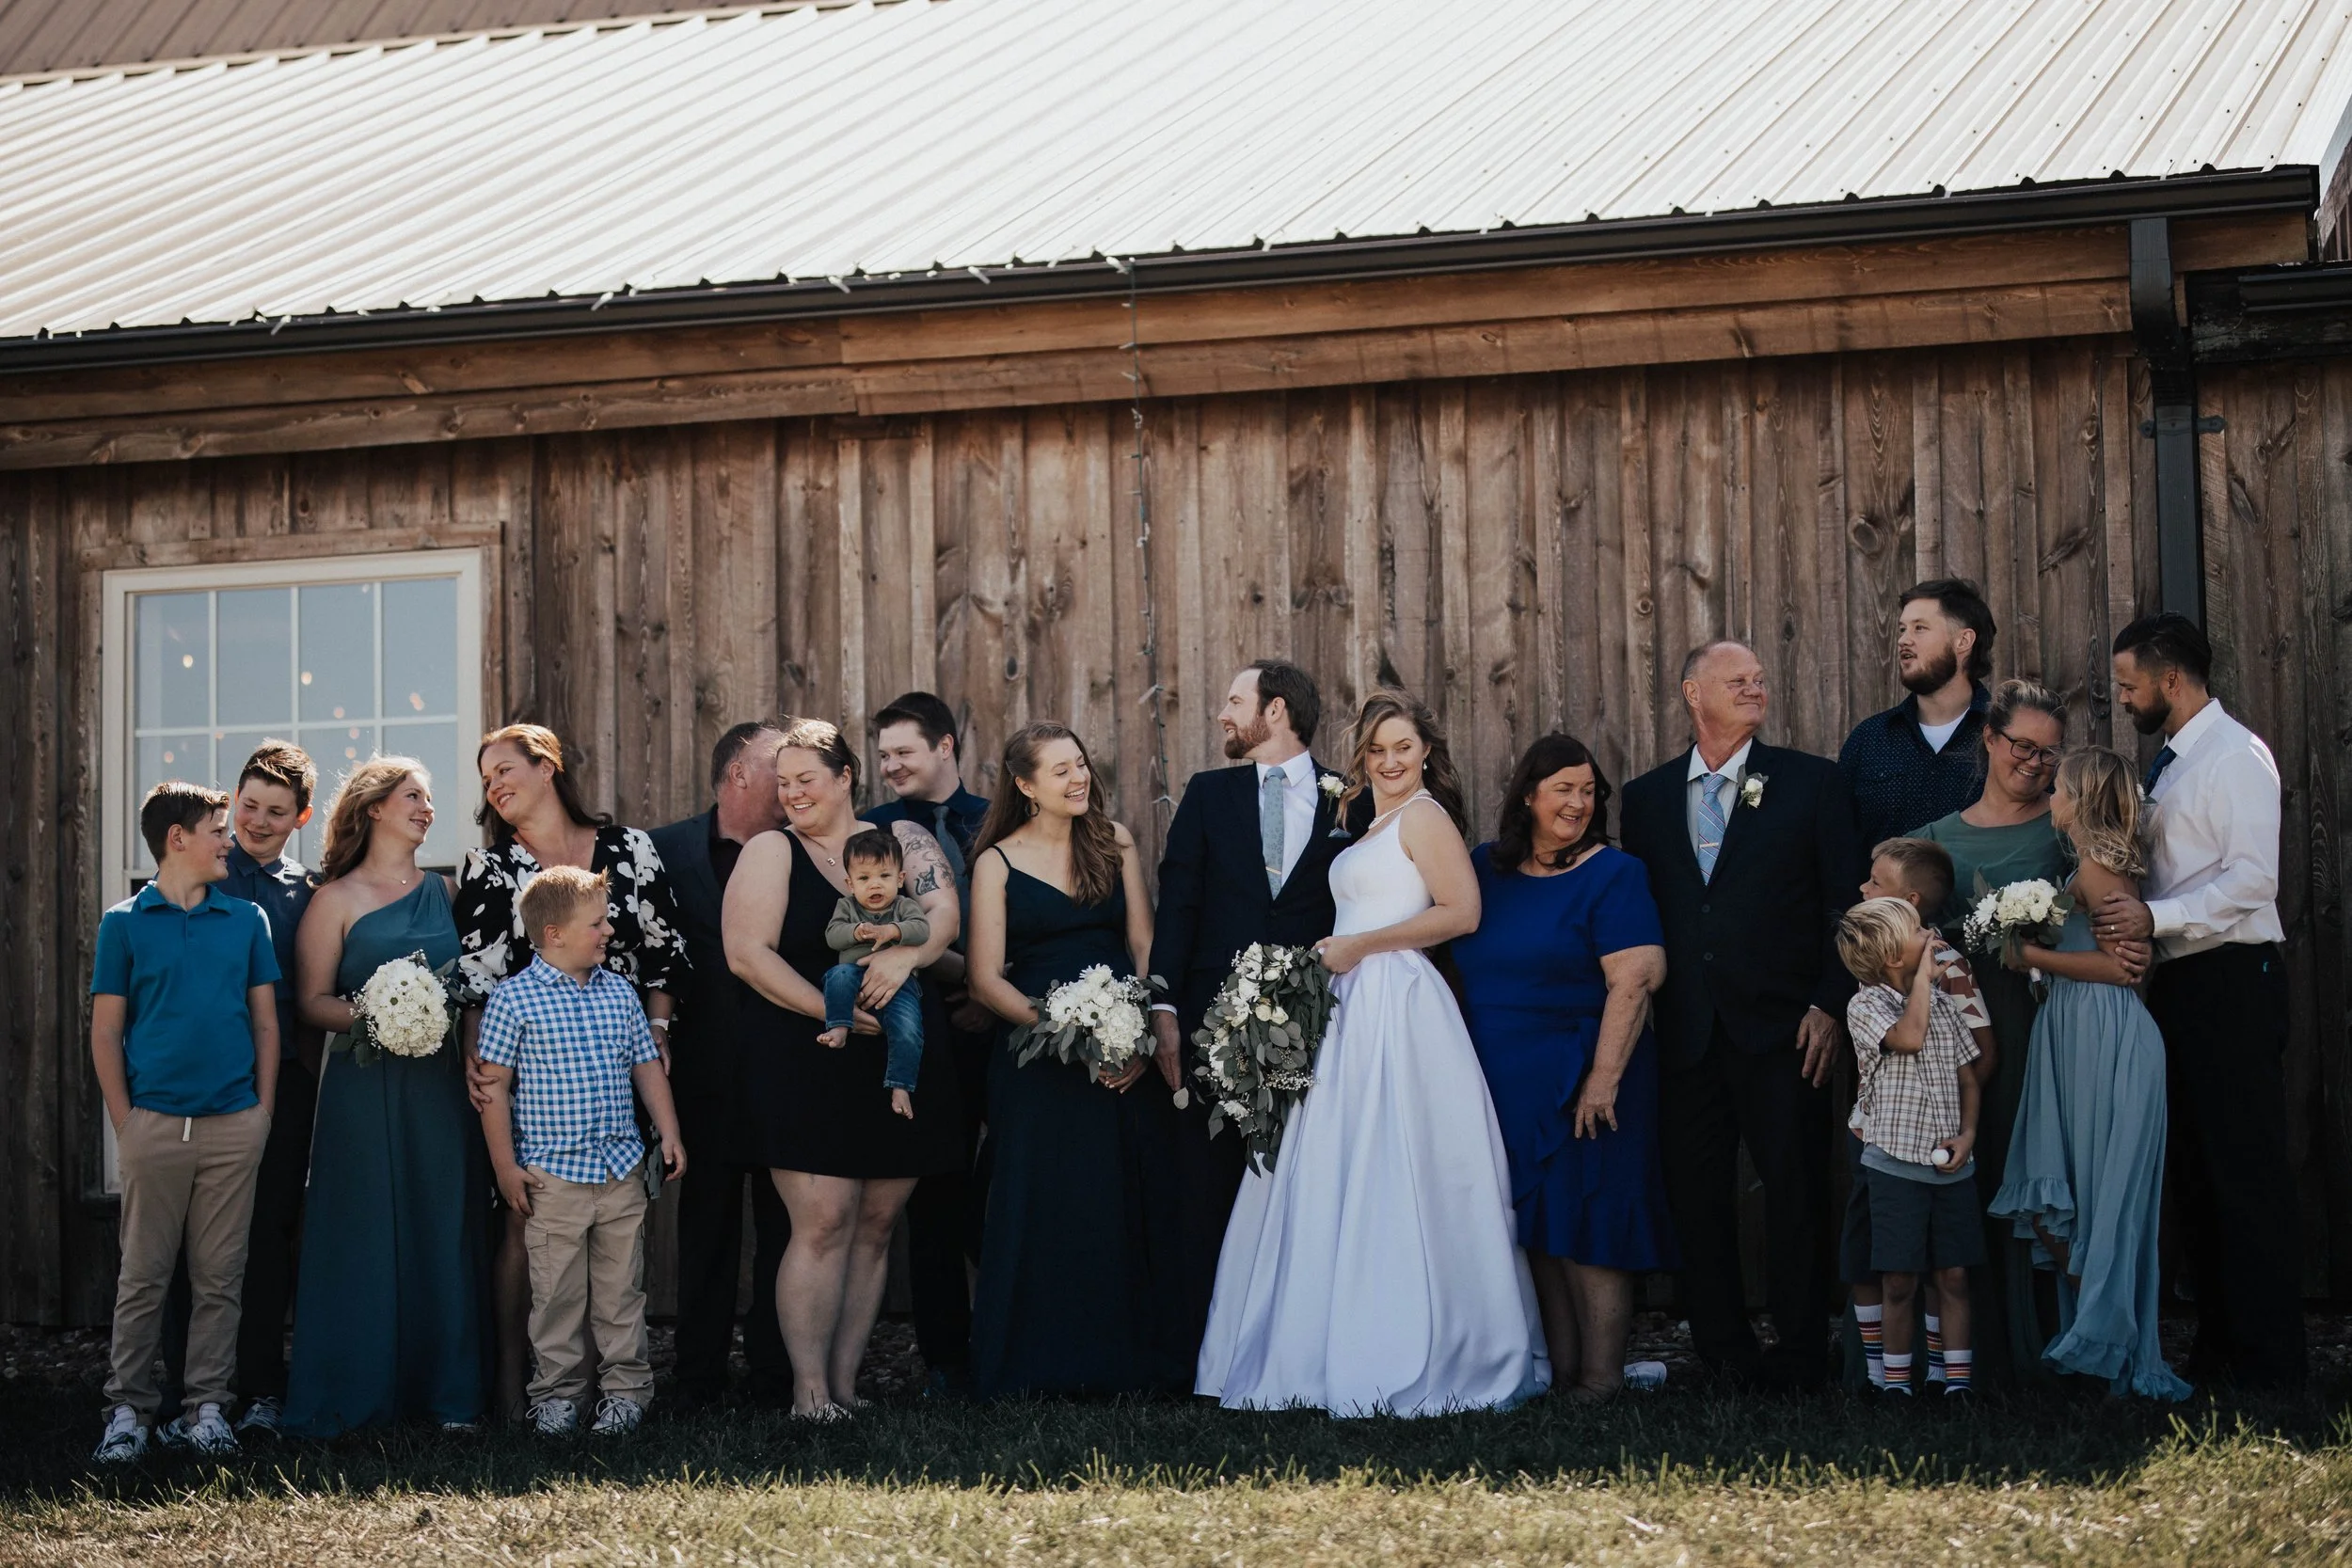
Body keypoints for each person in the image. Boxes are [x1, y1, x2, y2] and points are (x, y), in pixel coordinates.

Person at [1198, 689, 1548, 1416]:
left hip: (1398, 1000)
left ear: (1426, 752)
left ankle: (1426, 1341)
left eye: (1403, 747)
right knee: (1336, 1160)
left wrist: (1362, 944)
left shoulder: (1425, 817)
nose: (1390, 761)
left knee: (1403, 1160)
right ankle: (1325, 1340)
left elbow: (1463, 911)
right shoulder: (1372, 820)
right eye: (1377, 750)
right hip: (1349, 1003)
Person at [1618, 640, 1863, 1391]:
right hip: (1686, 1031)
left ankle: (1798, 1350)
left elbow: (1845, 905)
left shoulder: (1812, 784)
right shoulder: (1647, 798)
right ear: (1694, 692)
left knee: (1794, 1189)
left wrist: (1830, 1000)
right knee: (1697, 1196)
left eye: (1760, 679)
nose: (1756, 688)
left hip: (1787, 1027)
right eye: (1738, 680)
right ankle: (1721, 1348)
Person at [723, 719, 964, 1418]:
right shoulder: (772, 850)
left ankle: (847, 1388)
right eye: (784, 781)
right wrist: (833, 1013)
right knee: (824, 1219)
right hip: (809, 1056)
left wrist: (904, 956)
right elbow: (747, 954)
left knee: (877, 1223)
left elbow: (943, 909)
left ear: (845, 776)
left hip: (900, 1054)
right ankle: (808, 1393)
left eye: (807, 779)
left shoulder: (902, 840)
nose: (792, 793)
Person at [2091, 614, 2304, 1389]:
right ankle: (2221, 1345)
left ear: (2170, 681)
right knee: (2197, 1172)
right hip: (2185, 984)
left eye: (2128, 684)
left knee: (2242, 1171)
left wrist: (2159, 918)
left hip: (2232, 982)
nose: (2122, 697)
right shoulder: (2175, 763)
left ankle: (2272, 1364)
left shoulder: (2237, 757)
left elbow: (2254, 880)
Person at [455, 723, 689, 1419]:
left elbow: (665, 950)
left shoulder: (628, 850)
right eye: (486, 777)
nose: (494, 785)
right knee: (532, 1235)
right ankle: (526, 1386)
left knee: (618, 1253)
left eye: (504, 767)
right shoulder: (492, 868)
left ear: (548, 764)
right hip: (534, 1070)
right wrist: (481, 1063)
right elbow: (477, 975)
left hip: (621, 1053)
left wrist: (657, 1025)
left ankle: (619, 1390)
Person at [963, 721, 1184, 1397]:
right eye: (1060, 770)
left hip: (1123, 1053)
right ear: (1026, 785)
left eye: (1081, 764)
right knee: (1043, 1201)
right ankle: (1035, 1367)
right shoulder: (996, 862)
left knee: (1122, 1200)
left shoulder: (1113, 841)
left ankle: (1130, 1364)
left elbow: (1144, 944)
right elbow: (984, 979)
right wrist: (1064, 1031)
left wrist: (1143, 1032)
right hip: (1038, 1061)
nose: (1078, 777)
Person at [1452, 733, 1674, 1402]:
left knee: (1594, 1224)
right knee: (1540, 1228)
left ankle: (1603, 1379)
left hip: (1587, 1074)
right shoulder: (1484, 869)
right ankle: (1564, 1373)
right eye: (1563, 790)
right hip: (1506, 1079)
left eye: (1588, 790)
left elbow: (1636, 977)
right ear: (1528, 795)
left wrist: (1603, 1079)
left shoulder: (1615, 873)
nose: (1578, 803)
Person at [1150, 660, 1353, 1367]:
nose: (1222, 715)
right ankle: (1198, 1356)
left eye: (1234, 701)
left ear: (1276, 710)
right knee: (1203, 1186)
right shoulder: (1209, 795)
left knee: (1300, 1181)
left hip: (1315, 1022)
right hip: (1210, 1019)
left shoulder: (1347, 801)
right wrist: (1165, 1004)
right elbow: (1178, 900)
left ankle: (1292, 1351)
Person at [281, 759, 488, 1437]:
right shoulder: (334, 898)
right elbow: (311, 1002)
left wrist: (447, 1034)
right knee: (363, 1226)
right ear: (373, 808)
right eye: (413, 797)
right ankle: (354, 1389)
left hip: (435, 1087)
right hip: (360, 1090)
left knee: (441, 1221)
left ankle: (448, 1394)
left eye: (430, 798)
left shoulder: (446, 890)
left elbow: (468, 989)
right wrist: (378, 1014)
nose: (427, 808)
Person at [88, 783, 280, 1464]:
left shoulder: (246, 920)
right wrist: (126, 1123)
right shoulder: (125, 923)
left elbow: (265, 1022)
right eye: (218, 830)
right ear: (178, 838)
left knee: (220, 1275)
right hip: (154, 1125)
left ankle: (206, 1408)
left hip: (234, 1125)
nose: (231, 840)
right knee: (143, 1275)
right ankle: (129, 1412)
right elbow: (107, 1031)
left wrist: (260, 1113)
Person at [1993, 749, 2192, 1400]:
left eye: (2057, 789)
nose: (2048, 796)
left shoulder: (2103, 871)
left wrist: (2030, 954)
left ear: (2080, 801)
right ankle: (2097, 1344)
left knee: (2102, 1194)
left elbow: (2123, 971)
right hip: (2075, 1034)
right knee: (2067, 1187)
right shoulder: (2081, 868)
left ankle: (2115, 1347)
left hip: (2105, 1033)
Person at [157, 740, 317, 1439]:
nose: (255, 820)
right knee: (191, 1245)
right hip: (199, 1087)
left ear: (300, 817)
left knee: (267, 1235)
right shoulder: (202, 878)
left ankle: (259, 1388)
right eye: (247, 804)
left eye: (275, 812)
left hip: (280, 1091)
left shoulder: (307, 895)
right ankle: (183, 1393)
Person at [649, 720, 795, 1410]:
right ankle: (697, 1379)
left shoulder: (803, 847)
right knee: (704, 1229)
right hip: (698, 1076)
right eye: (778, 763)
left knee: (785, 1228)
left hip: (786, 1068)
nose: (793, 776)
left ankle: (775, 1375)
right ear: (738, 772)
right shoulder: (664, 849)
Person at [866, 691, 993, 1393]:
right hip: (922, 1030)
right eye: (883, 755)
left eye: (904, 752)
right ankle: (946, 1356)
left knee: (1006, 1181)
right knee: (935, 1193)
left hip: (1005, 1025)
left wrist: (991, 994)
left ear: (946, 745)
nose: (891, 766)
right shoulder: (875, 830)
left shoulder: (999, 819)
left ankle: (1013, 1325)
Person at [1844, 837, 1994, 1389]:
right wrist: (1925, 984)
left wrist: (1969, 1131)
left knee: (1950, 1270)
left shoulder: (1945, 974)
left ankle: (1949, 1380)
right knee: (1889, 1269)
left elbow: (1969, 1066)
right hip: (1884, 1150)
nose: (1862, 886)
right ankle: (1887, 1380)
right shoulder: (1868, 1001)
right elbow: (1906, 1036)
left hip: (1947, 1155)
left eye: (1874, 881)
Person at [1840, 579, 1998, 849]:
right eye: (1902, 629)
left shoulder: (2005, 737)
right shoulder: (1869, 739)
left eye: (1920, 628)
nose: (1903, 639)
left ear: (1963, 641)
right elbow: (1838, 840)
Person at [820, 830, 931, 1115]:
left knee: (908, 1030)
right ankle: (840, 1026)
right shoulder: (846, 906)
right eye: (864, 878)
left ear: (900, 879)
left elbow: (922, 930)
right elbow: (832, 936)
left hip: (899, 985)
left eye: (884, 876)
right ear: (850, 883)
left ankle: (901, 1087)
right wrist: (856, 932)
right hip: (855, 975)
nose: (875, 885)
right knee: (837, 976)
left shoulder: (904, 906)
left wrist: (893, 929)